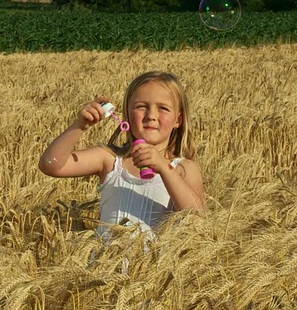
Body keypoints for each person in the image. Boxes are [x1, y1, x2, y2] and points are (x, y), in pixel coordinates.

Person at [38, 71, 205, 242]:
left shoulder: (183, 169)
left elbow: (196, 217)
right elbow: (51, 165)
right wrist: (80, 125)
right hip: (106, 266)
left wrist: (163, 167)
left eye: (163, 108)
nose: (151, 116)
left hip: (155, 267)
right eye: (141, 106)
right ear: (126, 114)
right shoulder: (110, 160)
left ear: (179, 120)